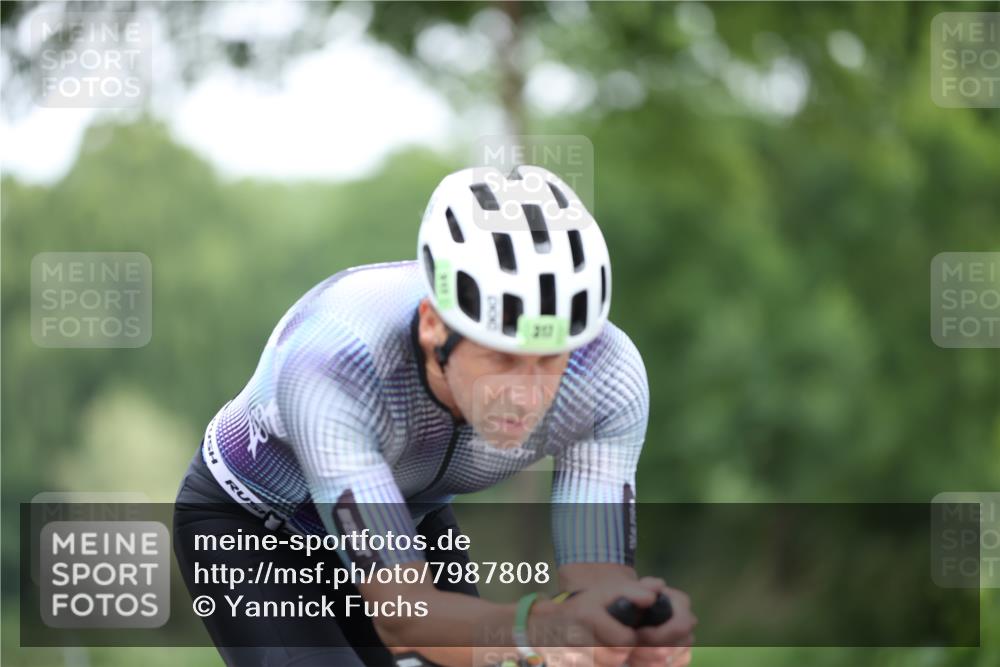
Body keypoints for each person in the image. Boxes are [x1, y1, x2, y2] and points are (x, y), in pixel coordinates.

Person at [173, 165, 696, 667]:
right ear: (433, 326)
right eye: (502, 358)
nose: (526, 396)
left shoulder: (607, 375)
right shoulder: (336, 358)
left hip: (406, 519)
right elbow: (405, 618)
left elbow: (595, 582)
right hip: (253, 530)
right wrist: (538, 630)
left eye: (550, 359)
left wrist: (628, 629)